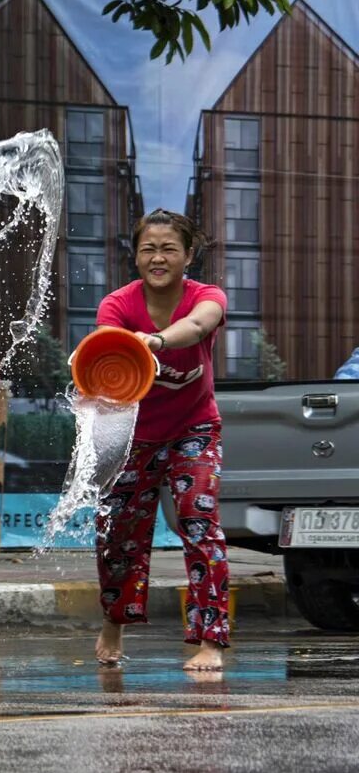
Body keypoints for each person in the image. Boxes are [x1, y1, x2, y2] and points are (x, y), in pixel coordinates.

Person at [92, 209, 230, 672]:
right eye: (148, 248)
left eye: (169, 248)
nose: (157, 257)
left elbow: (199, 326)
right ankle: (114, 622)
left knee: (200, 524)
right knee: (117, 535)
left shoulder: (206, 296)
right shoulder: (117, 304)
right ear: (135, 256)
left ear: (188, 255)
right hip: (133, 433)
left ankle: (209, 640)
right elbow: (103, 352)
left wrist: (154, 342)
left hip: (194, 428)